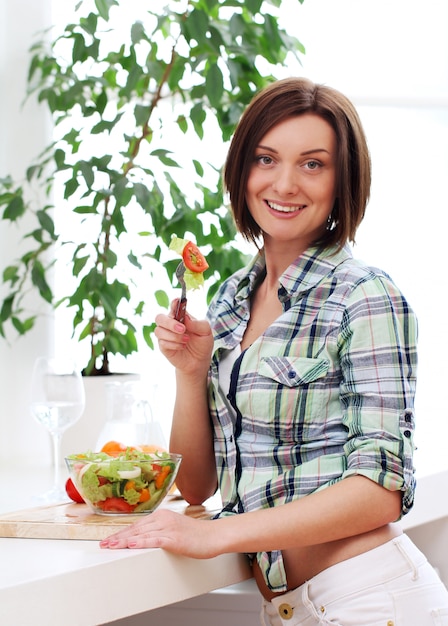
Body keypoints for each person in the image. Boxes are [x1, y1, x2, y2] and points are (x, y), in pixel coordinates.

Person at [100, 77, 448, 625]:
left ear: (343, 181)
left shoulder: (366, 296)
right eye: (266, 159)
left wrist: (217, 535)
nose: (285, 184)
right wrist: (191, 374)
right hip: (290, 609)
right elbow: (198, 485)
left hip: (371, 599)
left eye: (313, 164)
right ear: (242, 171)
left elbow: (380, 491)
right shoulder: (233, 298)